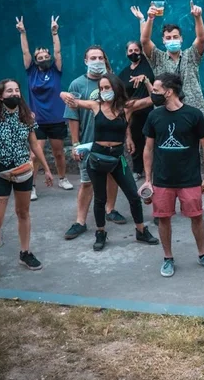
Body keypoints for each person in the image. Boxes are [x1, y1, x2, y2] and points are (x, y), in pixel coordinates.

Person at [0, 79, 54, 286]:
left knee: (23, 213)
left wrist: (47, 169)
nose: (14, 93)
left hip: (23, 172)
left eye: (17, 90)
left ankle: (25, 253)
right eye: (9, 91)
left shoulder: (26, 116)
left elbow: (35, 145)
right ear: (1, 96)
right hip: (0, 173)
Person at [61, 74, 158, 251]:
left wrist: (146, 81)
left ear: (116, 88)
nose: (104, 91)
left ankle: (141, 231)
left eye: (108, 87)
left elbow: (154, 98)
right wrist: (64, 95)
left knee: (134, 196)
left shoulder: (126, 107)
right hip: (97, 158)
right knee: (100, 199)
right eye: (101, 88)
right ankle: (100, 233)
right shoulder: (95, 105)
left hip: (118, 158)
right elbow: (70, 100)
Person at [140, 73, 204, 277]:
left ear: (168, 92)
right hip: (162, 180)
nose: (153, 93)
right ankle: (168, 258)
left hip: (190, 179)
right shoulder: (154, 116)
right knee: (163, 219)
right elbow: (148, 149)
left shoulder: (193, 115)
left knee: (197, 217)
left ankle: (203, 255)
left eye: (156, 90)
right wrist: (148, 180)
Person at [63, 46, 124, 239]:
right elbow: (72, 115)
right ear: (86, 61)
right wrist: (75, 143)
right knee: (86, 182)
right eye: (93, 58)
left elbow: (123, 110)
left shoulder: (113, 82)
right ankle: (80, 221)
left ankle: (110, 209)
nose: (97, 61)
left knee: (112, 177)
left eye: (100, 57)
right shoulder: (77, 84)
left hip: (112, 143)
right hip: (88, 143)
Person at [17, 15, 70, 195]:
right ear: (35, 60)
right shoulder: (31, 71)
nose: (44, 58)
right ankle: (31, 186)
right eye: (40, 57)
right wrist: (23, 32)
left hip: (56, 120)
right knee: (34, 155)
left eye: (47, 56)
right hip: (37, 121)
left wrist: (54, 33)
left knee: (58, 153)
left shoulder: (56, 70)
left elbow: (58, 52)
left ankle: (62, 178)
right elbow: (25, 52)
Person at [134, 0, 204, 115]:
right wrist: (150, 19)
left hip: (194, 109)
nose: (172, 40)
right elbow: (144, 41)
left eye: (175, 37)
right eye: (168, 38)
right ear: (163, 40)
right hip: (166, 112)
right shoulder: (157, 57)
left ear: (181, 39)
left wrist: (198, 17)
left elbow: (201, 39)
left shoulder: (191, 55)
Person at [124, 40, 156, 178]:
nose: (133, 53)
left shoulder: (149, 67)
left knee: (152, 142)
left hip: (150, 111)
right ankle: (137, 170)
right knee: (136, 142)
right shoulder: (124, 73)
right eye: (130, 51)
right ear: (126, 53)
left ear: (141, 51)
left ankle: (154, 171)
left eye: (136, 50)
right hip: (133, 115)